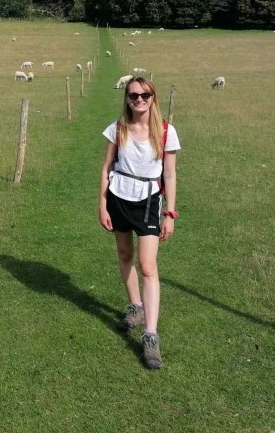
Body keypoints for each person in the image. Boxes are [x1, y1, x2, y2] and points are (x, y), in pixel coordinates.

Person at [98, 76, 180, 369]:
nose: (139, 100)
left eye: (145, 95)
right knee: (124, 254)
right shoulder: (118, 129)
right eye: (133, 95)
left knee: (147, 266)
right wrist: (102, 204)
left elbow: (169, 174)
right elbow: (106, 167)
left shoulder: (166, 132)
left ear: (153, 98)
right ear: (127, 99)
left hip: (148, 202)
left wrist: (170, 213)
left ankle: (151, 335)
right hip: (118, 197)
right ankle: (136, 306)